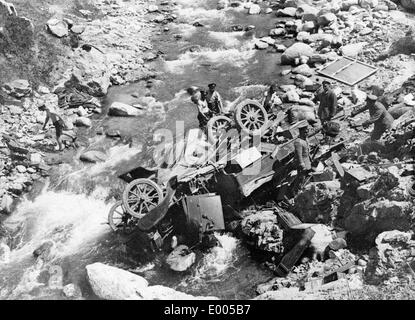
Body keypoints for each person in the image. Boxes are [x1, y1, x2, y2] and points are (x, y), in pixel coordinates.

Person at [293, 122, 312, 189]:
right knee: (301, 177)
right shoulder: (298, 142)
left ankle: (302, 187)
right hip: (302, 162)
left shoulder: (305, 139)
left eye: (307, 132)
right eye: (305, 132)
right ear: (301, 132)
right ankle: (296, 190)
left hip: (307, 160)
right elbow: (299, 155)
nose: (306, 133)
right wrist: (302, 164)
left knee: (306, 176)